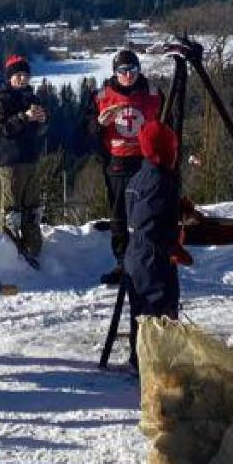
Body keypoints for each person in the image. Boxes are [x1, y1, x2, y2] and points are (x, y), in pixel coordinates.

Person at [92, 49, 161, 284]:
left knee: (147, 215)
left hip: (146, 162)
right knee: (119, 216)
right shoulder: (101, 96)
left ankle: (147, 262)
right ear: (115, 72)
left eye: (133, 70)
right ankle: (122, 264)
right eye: (122, 71)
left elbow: (166, 125)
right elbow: (83, 133)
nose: (128, 75)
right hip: (116, 162)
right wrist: (98, 125)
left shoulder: (152, 93)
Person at [124, 122, 186, 338]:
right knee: (157, 313)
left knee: (141, 313)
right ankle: (157, 361)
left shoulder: (139, 177)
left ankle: (140, 356)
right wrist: (172, 248)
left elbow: (139, 213)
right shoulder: (160, 181)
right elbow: (148, 226)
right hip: (153, 261)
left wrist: (178, 206)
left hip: (136, 258)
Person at [0, 54, 48, 264]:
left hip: (30, 157)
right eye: (18, 75)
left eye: (25, 75)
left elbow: (39, 130)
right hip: (10, 160)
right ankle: (9, 253)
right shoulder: (1, 98)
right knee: (11, 208)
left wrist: (41, 121)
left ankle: (33, 248)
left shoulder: (32, 98)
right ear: (10, 77)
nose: (22, 79)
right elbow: (0, 127)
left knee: (32, 206)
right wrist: (24, 118)